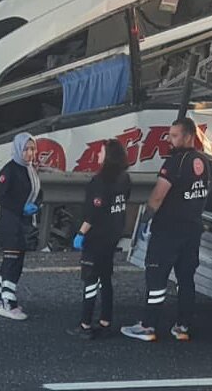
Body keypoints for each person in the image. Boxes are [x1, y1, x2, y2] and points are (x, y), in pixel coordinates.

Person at [122, 118, 210, 342]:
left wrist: (145, 219)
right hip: (192, 229)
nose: (170, 140)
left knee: (156, 277)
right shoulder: (204, 162)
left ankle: (148, 326)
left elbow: (159, 195)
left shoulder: (174, 163)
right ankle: (183, 326)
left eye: (175, 135)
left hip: (169, 230)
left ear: (189, 136)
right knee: (186, 279)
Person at [69, 139, 132, 340]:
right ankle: (105, 320)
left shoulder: (99, 182)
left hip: (96, 237)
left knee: (90, 279)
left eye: (101, 152)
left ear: (109, 157)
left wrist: (81, 233)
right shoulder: (124, 178)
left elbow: (93, 212)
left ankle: (85, 324)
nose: (98, 156)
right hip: (113, 235)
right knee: (106, 278)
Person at [0, 133, 42, 320]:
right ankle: (8, 302)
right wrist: (21, 207)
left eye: (32, 149)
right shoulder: (10, 170)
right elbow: (1, 197)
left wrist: (36, 205)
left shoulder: (30, 170)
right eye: (26, 149)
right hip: (12, 224)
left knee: (12, 261)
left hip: (23, 223)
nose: (30, 153)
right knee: (13, 262)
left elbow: (38, 192)